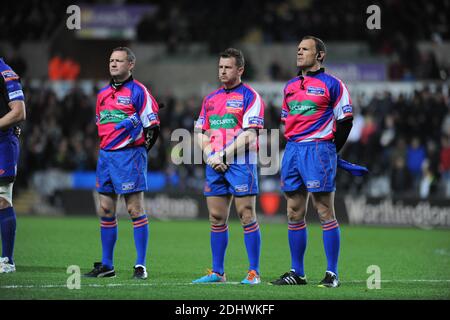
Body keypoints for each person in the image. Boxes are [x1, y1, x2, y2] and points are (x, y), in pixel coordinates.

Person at [270, 36, 353, 288]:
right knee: (294, 211)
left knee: (324, 210)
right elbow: (286, 121)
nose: (299, 52)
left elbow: (346, 120)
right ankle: (298, 272)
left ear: (320, 56)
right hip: (293, 150)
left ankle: (332, 273)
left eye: (305, 49)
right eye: (298, 49)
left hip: (319, 149)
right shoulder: (290, 86)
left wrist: (330, 150)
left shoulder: (334, 84)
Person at [84, 47, 160, 279]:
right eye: (111, 60)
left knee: (134, 209)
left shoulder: (140, 92)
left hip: (130, 156)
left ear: (131, 65)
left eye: (119, 60)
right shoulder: (102, 94)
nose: (113, 64)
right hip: (106, 156)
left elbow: (153, 128)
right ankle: (107, 265)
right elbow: (102, 125)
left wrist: (139, 152)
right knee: (106, 209)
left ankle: (140, 265)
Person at [193, 48, 265, 285]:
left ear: (240, 70)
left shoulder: (250, 96)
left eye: (228, 67)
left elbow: (250, 134)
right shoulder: (210, 99)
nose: (222, 71)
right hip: (215, 161)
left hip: (241, 162)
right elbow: (200, 132)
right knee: (216, 217)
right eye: (220, 67)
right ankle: (217, 272)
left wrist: (222, 155)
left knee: (246, 215)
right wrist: (209, 154)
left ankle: (253, 272)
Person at [0, 57, 26, 273]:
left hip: (2, 144)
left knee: (1, 200)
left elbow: (18, 112)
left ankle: (7, 260)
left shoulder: (5, 73)